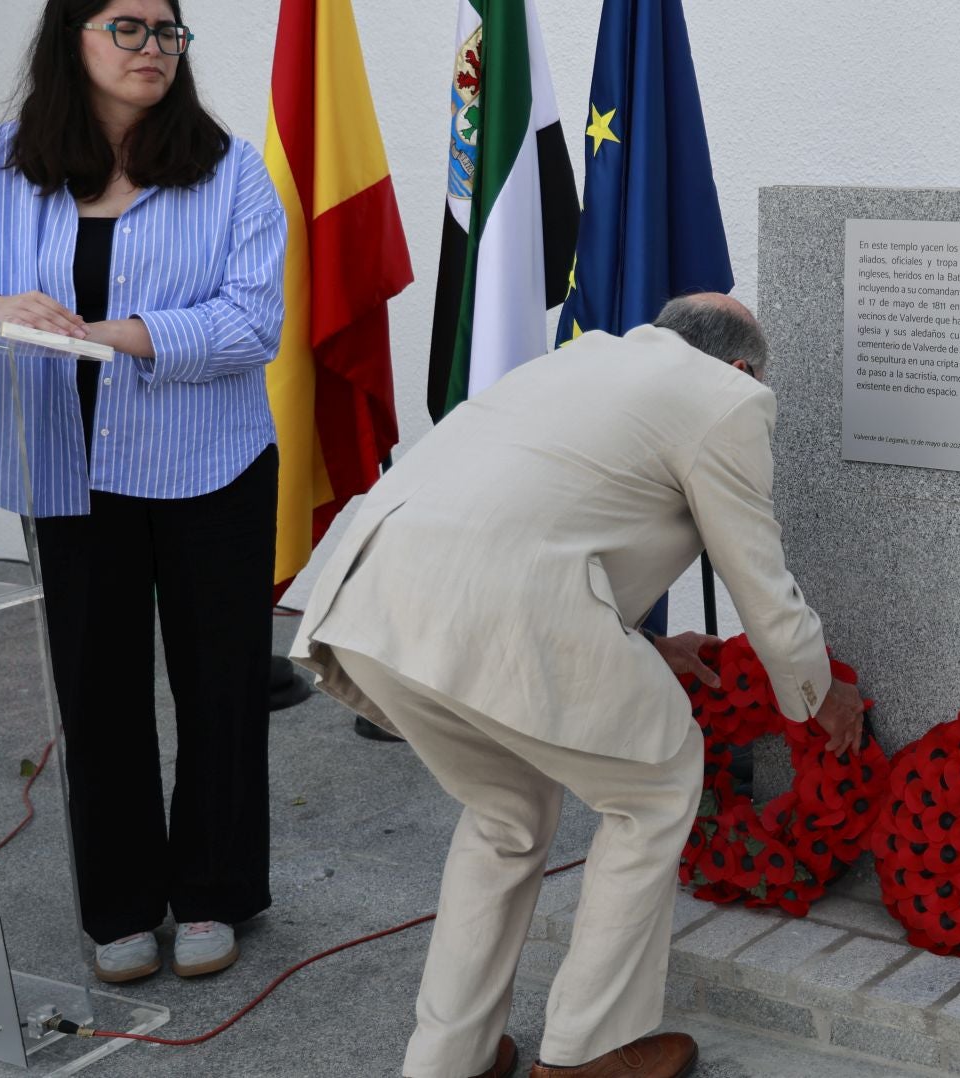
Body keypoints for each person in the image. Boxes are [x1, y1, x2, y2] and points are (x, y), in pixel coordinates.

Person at [291, 294, 864, 1078]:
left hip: (374, 602)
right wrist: (817, 689)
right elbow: (761, 584)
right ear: (741, 367)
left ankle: (448, 1058)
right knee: (658, 786)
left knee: (507, 812)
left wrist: (650, 644)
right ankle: (587, 1053)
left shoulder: (583, 357)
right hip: (492, 617)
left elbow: (531, 517)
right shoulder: (726, 397)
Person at [0, 0, 285, 983]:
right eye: (128, 28)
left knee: (220, 685)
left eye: (169, 31)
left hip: (210, 464)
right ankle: (120, 905)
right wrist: (1, 306)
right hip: (63, 463)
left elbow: (253, 324)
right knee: (98, 688)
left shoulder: (231, 169)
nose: (154, 48)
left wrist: (114, 332)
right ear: (71, 38)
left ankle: (214, 890)